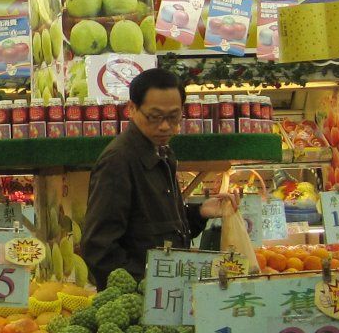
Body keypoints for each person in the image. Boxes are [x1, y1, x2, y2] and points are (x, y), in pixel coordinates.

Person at [79, 67, 233, 283]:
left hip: (166, 292)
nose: (164, 126)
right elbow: (98, 246)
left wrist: (199, 213)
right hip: (143, 299)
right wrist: (144, 288)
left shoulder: (162, 151)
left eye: (173, 117)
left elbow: (155, 226)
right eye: (154, 117)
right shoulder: (119, 160)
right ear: (132, 109)